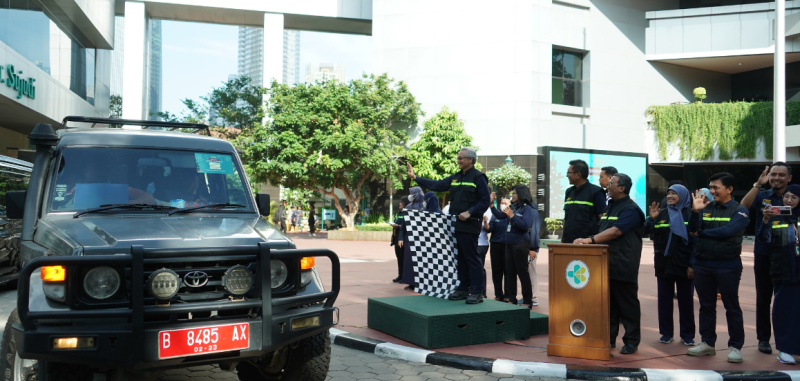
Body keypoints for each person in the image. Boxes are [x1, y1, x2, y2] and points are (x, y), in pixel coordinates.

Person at [407, 147, 491, 304]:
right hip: (455, 224)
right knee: (460, 258)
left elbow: (485, 201)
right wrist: (416, 177)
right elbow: (437, 185)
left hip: (470, 224)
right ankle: (463, 289)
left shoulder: (478, 177)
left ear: (470, 160)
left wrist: (470, 212)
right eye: (458, 158)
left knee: (472, 258)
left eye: (461, 158)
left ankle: (477, 292)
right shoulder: (456, 177)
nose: (458, 160)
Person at [574, 173, 644, 355]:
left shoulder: (631, 210)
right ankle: (609, 339)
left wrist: (590, 240)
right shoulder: (610, 207)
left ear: (622, 188)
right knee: (609, 306)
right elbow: (603, 229)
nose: (607, 186)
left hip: (623, 264)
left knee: (627, 306)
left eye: (611, 184)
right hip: (604, 264)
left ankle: (631, 341)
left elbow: (615, 231)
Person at [686, 173, 749, 363]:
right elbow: (692, 229)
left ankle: (735, 347)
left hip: (727, 265)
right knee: (706, 306)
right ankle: (707, 343)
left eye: (716, 188)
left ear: (729, 189)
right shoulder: (705, 208)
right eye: (710, 187)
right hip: (703, 264)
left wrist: (702, 233)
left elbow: (727, 232)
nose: (712, 191)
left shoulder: (741, 211)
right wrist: (695, 212)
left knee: (732, 307)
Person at [740, 162, 793, 355]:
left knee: (787, 299)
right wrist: (758, 184)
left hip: (789, 256)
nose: (776, 178)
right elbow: (743, 206)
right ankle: (763, 339)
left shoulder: (794, 198)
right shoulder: (762, 196)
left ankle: (786, 340)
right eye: (773, 175)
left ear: (789, 178)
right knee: (763, 298)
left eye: (781, 175)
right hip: (764, 254)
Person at [644, 184, 697, 346]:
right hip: (663, 263)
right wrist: (651, 219)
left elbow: (696, 242)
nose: (670, 196)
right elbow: (646, 232)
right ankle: (666, 333)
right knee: (664, 301)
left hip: (683, 264)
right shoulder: (661, 214)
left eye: (674, 193)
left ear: (683, 195)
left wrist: (692, 265)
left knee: (686, 301)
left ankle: (687, 335)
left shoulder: (691, 214)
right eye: (668, 193)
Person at [757, 183, 800, 364]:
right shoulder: (775, 216)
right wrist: (765, 221)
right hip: (783, 271)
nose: (789, 200)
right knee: (784, 311)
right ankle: (784, 349)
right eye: (786, 197)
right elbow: (764, 239)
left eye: (794, 197)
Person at [489, 185, 536, 308]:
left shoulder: (527, 209)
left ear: (521, 195)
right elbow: (499, 216)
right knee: (509, 273)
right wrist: (492, 206)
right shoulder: (513, 207)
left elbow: (525, 226)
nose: (512, 195)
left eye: (514, 193)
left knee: (522, 272)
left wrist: (512, 216)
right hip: (508, 244)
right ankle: (511, 299)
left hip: (520, 244)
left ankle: (527, 300)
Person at [562, 159, 606, 243]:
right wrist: (562, 239)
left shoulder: (596, 192)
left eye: (569, 172)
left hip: (587, 244)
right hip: (568, 242)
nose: (567, 175)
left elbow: (602, 219)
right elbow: (566, 218)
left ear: (578, 174)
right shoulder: (569, 191)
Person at [399, 188, 426, 291]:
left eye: (412, 194)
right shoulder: (409, 207)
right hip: (408, 239)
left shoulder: (424, 207)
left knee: (419, 262)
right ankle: (410, 283)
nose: (410, 195)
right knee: (409, 261)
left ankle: (419, 283)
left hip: (420, 240)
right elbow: (403, 225)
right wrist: (400, 238)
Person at [486, 197, 510, 302]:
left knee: (508, 270)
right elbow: (490, 229)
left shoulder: (510, 215)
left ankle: (507, 294)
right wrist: (485, 224)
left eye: (505, 203)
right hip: (495, 244)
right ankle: (498, 294)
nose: (503, 204)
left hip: (507, 245)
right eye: (501, 202)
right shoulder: (495, 215)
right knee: (496, 270)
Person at [390, 198, 408, 283]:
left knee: (403, 258)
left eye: (401, 203)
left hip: (402, 239)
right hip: (396, 238)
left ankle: (405, 277)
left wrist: (397, 226)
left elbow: (405, 227)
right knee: (399, 258)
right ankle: (400, 275)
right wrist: (393, 236)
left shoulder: (406, 214)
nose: (400, 204)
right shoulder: (399, 213)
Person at [478, 207, 492, 297]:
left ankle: (482, 292)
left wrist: (485, 221)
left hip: (481, 244)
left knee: (479, 266)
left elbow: (488, 228)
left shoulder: (486, 210)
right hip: (471, 242)